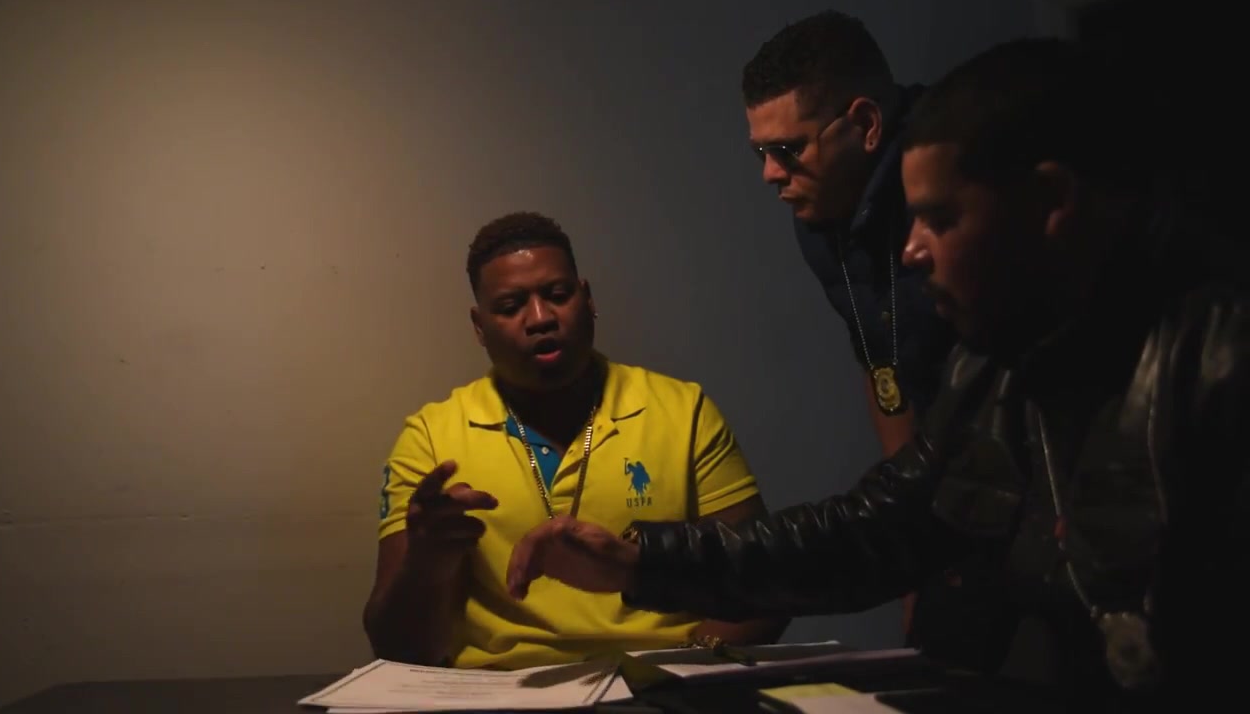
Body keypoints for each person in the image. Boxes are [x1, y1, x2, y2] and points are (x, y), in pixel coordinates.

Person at [505, 39, 1249, 708]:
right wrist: (640, 562)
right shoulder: (992, 372)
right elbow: (873, 528)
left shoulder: (1216, 363)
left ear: (1052, 203)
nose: (912, 251)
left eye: (941, 220)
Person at [362, 211, 787, 670]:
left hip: (666, 680)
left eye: (558, 295)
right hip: (503, 691)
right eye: (511, 306)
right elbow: (397, 650)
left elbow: (763, 585)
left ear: (587, 299)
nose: (540, 318)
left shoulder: (684, 411)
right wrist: (425, 562)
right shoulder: (430, 438)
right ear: (479, 326)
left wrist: (680, 671)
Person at [740, 10, 1003, 666]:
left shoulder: (954, 163)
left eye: (787, 150)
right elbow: (878, 361)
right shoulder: (818, 216)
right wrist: (910, 541)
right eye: (759, 152)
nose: (770, 174)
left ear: (865, 125)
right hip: (935, 486)